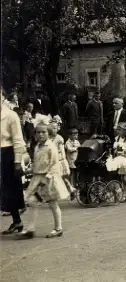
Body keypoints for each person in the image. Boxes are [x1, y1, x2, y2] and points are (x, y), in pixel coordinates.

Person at [17, 122, 69, 239]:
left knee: (53, 204)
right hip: (38, 178)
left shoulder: (51, 147)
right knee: (32, 201)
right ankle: (30, 229)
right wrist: (27, 171)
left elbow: (54, 165)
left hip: (49, 179)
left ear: (48, 133)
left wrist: (46, 179)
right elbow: (38, 165)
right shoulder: (37, 147)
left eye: (43, 132)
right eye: (38, 132)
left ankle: (58, 228)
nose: (40, 135)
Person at [1, 88, 27, 234]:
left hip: (7, 153)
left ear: (3, 97)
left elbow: (18, 140)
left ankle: (17, 220)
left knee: (9, 189)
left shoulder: (11, 116)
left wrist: (17, 161)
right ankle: (17, 221)